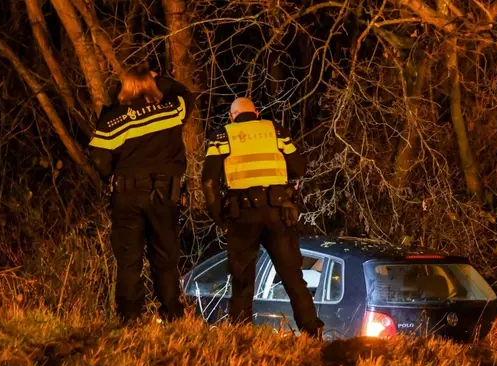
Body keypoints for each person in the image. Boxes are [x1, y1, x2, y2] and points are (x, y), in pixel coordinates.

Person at [202, 97, 325, 338]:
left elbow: (208, 181)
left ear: (231, 117)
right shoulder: (276, 130)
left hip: (242, 214)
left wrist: (220, 218)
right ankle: (312, 331)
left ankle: (241, 334)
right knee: (292, 277)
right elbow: (299, 168)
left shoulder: (222, 136)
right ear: (256, 112)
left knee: (242, 279)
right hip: (278, 213)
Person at [88, 64, 194, 324]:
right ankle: (171, 313)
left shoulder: (113, 118)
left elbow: (99, 160)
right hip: (163, 194)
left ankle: (129, 317)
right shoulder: (170, 110)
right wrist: (160, 80)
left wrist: (113, 176)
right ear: (151, 85)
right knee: (165, 257)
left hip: (126, 194)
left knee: (128, 259)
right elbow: (185, 94)